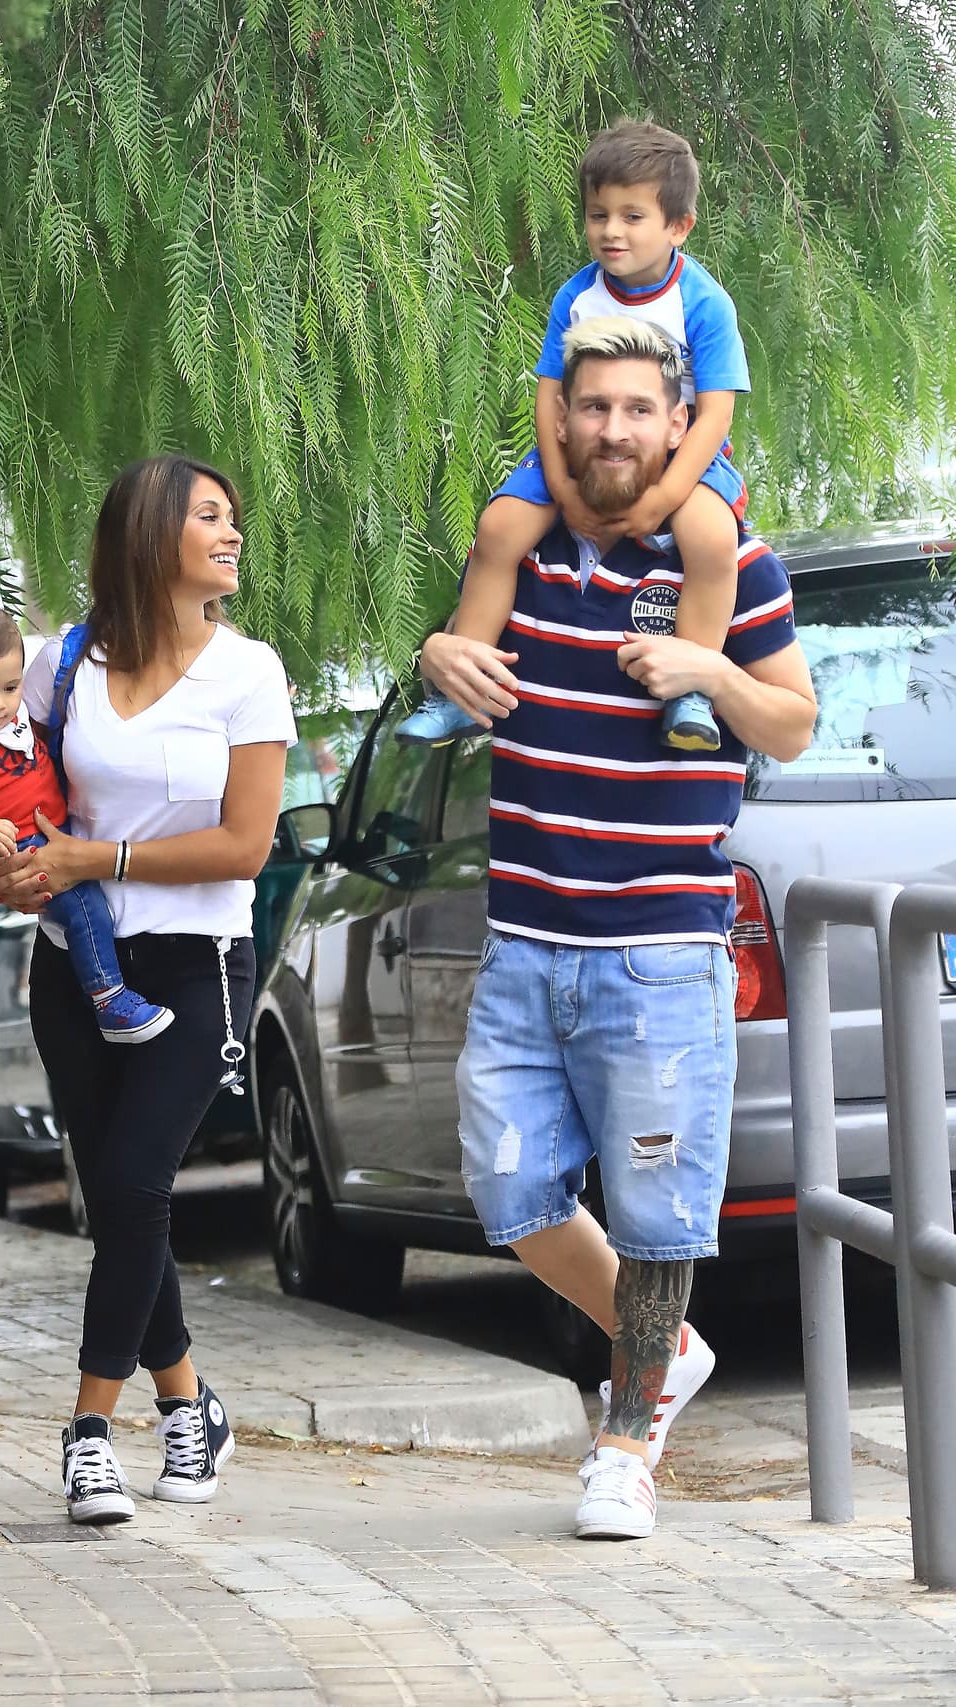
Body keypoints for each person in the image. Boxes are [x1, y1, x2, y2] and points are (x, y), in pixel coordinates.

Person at [422, 318, 815, 1540]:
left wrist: (709, 677)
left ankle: (624, 1439)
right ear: (561, 419)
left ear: (675, 421)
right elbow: (459, 663)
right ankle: (664, 1350)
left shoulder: (727, 562)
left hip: (659, 950)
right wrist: (440, 654)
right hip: (525, 939)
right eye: (589, 407)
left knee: (655, 1211)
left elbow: (791, 725)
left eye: (636, 410)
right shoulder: (523, 547)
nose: (610, 430)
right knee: (505, 1184)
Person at [0, 456, 296, 1523]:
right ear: (151, 536)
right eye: (208, 517)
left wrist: (96, 863)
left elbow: (244, 847)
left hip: (197, 968)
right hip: (74, 967)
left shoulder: (249, 673)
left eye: (231, 517)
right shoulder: (61, 667)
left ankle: (89, 1433)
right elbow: (7, 811)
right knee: (117, 1202)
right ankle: (190, 1404)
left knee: (140, 1186)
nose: (231, 533)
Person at [400, 119, 750, 755]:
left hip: (683, 452)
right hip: (576, 446)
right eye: (598, 215)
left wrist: (663, 497)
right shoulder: (577, 295)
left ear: (678, 226)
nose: (611, 231)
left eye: (631, 216)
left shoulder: (703, 302)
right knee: (500, 528)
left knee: (710, 537)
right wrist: (560, 483)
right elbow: (549, 397)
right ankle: (460, 689)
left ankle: (690, 685)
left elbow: (717, 415)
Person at [0, 600, 172, 1042]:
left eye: (10, 687)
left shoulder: (13, 716)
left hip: (58, 830)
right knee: (85, 909)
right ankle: (109, 999)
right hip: (25, 845)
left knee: (93, 905)